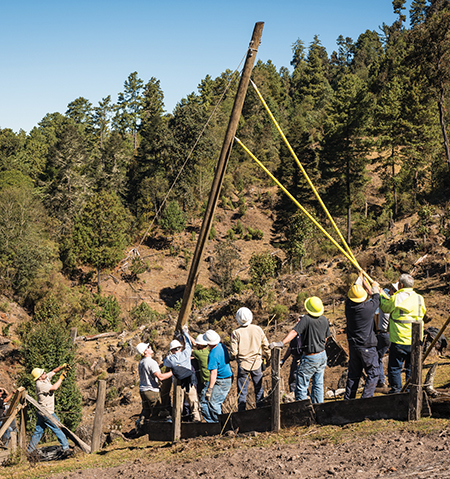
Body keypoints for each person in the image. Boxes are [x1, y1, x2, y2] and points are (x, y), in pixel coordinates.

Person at [270, 296, 330, 404]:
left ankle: (302, 410)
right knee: (318, 384)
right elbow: (326, 338)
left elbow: (294, 332)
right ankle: (319, 407)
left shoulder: (306, 319)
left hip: (310, 356)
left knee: (301, 385)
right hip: (322, 355)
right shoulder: (324, 319)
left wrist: (281, 343)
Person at [380, 273, 426, 393]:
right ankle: (411, 391)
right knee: (412, 368)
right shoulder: (419, 298)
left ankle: (396, 392)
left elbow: (385, 308)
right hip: (416, 340)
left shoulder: (397, 297)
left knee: (395, 368)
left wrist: (380, 296)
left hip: (399, 338)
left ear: (401, 285)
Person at [344, 281, 381, 400]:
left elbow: (354, 293)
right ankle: (366, 399)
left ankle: (348, 401)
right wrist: (374, 286)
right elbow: (377, 298)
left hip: (354, 347)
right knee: (373, 373)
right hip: (367, 346)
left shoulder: (348, 306)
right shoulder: (367, 308)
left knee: (353, 375)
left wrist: (360, 278)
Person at [230, 307, 270, 411]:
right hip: (257, 363)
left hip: (243, 365)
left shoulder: (236, 332)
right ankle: (260, 410)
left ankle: (242, 413)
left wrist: (231, 357)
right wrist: (268, 358)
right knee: (259, 389)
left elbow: (234, 352)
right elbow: (266, 346)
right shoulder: (258, 329)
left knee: (242, 391)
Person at [27, 364, 71, 458]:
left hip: (41, 412)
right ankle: (66, 448)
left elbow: (53, 371)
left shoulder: (45, 379)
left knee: (38, 431)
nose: (45, 373)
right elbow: (54, 388)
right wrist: (61, 378)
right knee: (58, 427)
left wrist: (62, 367)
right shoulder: (40, 385)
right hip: (47, 413)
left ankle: (29, 451)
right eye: (43, 373)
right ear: (39, 377)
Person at [163, 326, 202, 422]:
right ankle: (197, 418)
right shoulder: (186, 354)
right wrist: (185, 333)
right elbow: (189, 344)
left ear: (172, 350)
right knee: (193, 401)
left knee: (178, 404)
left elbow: (165, 363)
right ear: (180, 348)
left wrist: (169, 355)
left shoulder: (170, 359)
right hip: (189, 382)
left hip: (178, 384)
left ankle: (177, 420)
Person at [136, 343, 172, 428]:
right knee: (157, 412)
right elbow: (160, 377)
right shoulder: (151, 362)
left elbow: (151, 370)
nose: (151, 347)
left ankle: (140, 428)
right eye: (148, 347)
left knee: (146, 411)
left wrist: (161, 365)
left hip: (143, 390)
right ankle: (154, 430)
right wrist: (173, 372)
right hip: (152, 391)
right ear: (145, 352)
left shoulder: (142, 362)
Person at [200, 329, 233, 423]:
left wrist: (210, 389)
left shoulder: (213, 355)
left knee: (214, 403)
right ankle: (215, 423)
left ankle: (219, 424)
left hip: (221, 380)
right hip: (225, 377)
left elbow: (213, 373)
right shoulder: (222, 346)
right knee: (207, 402)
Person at [375, 284, 397, 388]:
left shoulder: (385, 304)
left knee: (377, 357)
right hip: (394, 333)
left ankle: (381, 381)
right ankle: (392, 382)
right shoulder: (395, 302)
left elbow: (374, 296)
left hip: (384, 334)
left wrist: (378, 291)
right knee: (393, 358)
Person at [280, 316, 303, 394]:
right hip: (295, 358)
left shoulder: (305, 333)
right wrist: (283, 360)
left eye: (299, 321)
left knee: (299, 379)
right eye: (297, 320)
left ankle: (301, 397)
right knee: (292, 379)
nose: (297, 322)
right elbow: (290, 348)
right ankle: (293, 395)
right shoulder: (294, 335)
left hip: (302, 358)